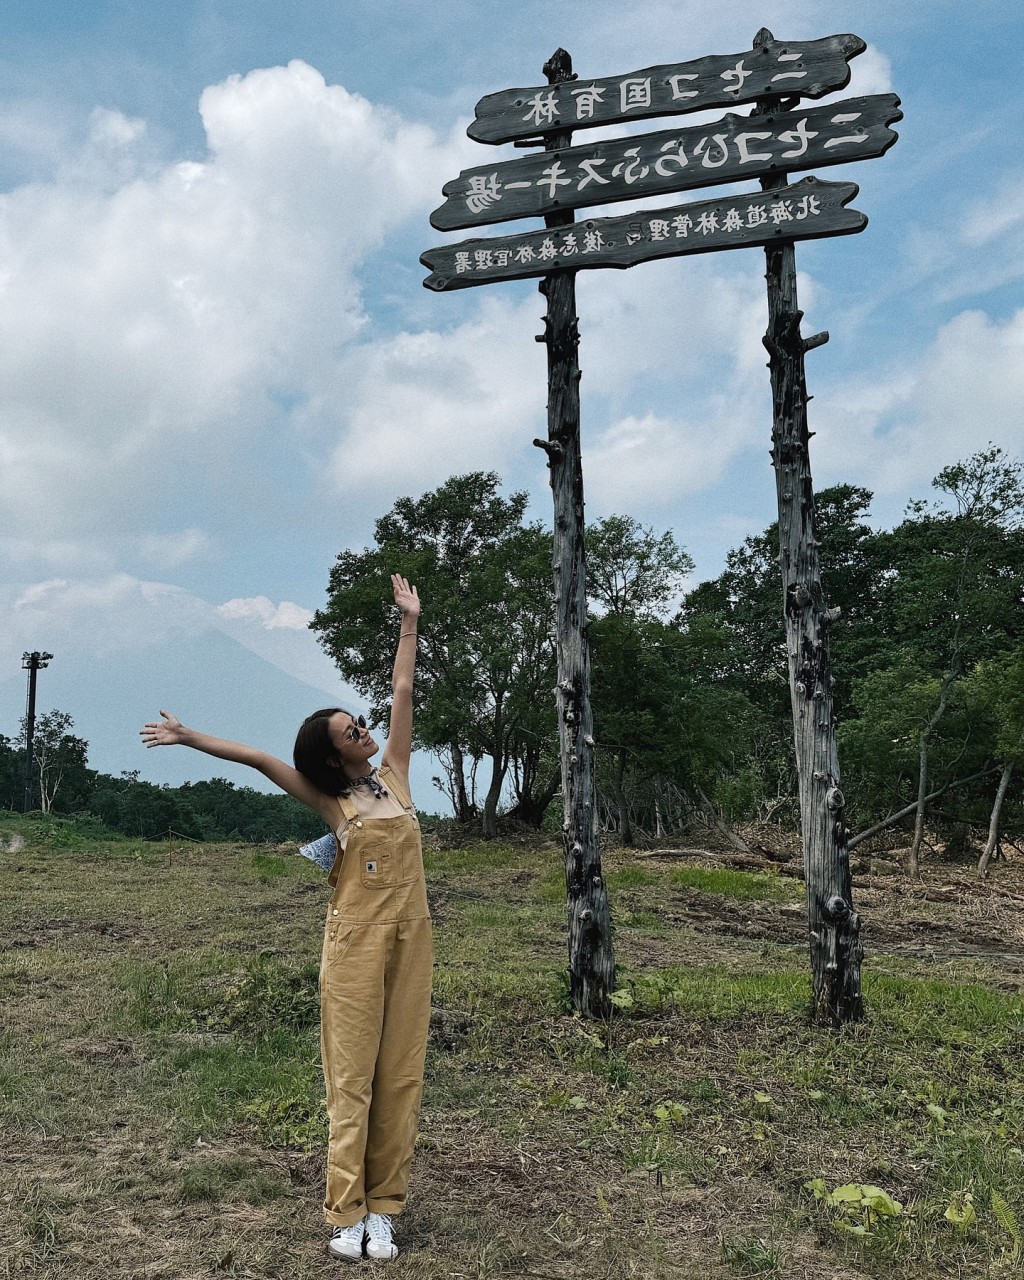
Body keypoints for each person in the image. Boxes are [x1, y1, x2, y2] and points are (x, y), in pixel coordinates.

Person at [140, 574, 430, 1264]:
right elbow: (262, 758)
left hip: (412, 939)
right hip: (354, 944)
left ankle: (384, 1210)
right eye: (349, 732)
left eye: (357, 723)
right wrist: (187, 737)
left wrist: (409, 623)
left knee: (400, 1075)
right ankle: (345, 1213)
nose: (364, 729)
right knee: (351, 1077)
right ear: (334, 757)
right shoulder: (334, 802)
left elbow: (402, 695)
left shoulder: (393, 776)